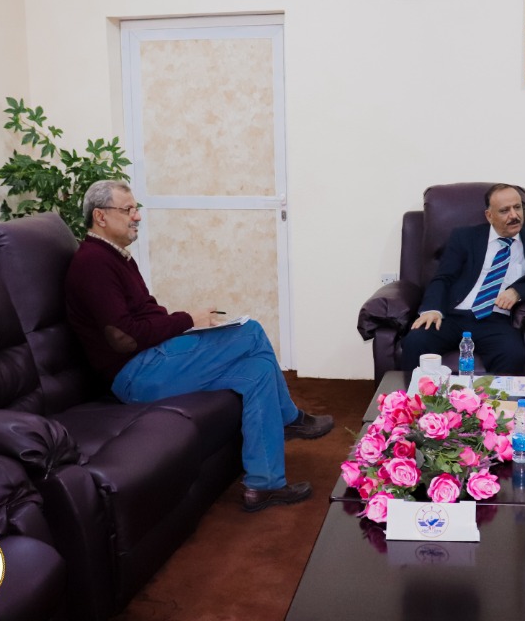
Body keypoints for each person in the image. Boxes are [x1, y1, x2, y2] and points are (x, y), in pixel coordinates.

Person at [64, 180, 333, 513]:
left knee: (259, 370)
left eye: (137, 208)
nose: (137, 216)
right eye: (128, 209)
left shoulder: (117, 257)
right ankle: (289, 418)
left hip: (153, 360)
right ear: (100, 216)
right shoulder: (93, 263)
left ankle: (264, 485)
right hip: (138, 373)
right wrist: (187, 320)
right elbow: (124, 337)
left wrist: (183, 328)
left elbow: (146, 315)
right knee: (250, 332)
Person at [400, 183, 525, 375]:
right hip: (453, 315)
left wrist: (518, 292)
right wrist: (432, 309)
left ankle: (493, 396)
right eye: (504, 210)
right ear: (489, 216)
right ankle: (418, 395)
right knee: (416, 341)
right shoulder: (465, 237)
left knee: (512, 354)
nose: (514, 215)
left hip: (496, 319)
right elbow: (443, 277)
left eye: (517, 207)